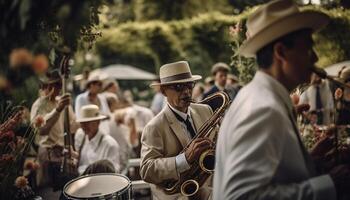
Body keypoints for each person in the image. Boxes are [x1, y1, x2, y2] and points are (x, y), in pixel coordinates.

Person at [213, 1, 350, 199]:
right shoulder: (263, 109)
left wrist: (311, 164)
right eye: (308, 48)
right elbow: (240, 196)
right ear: (281, 52)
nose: (315, 58)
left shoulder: (257, 97)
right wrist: (329, 185)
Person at [140, 61, 213, 200]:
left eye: (190, 85)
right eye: (178, 87)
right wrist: (183, 159)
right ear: (163, 91)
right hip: (176, 195)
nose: (186, 92)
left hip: (208, 189)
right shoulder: (154, 127)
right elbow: (146, 170)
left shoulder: (205, 110)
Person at [30, 69, 79, 188]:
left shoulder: (61, 102)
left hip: (63, 153)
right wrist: (58, 110)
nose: (58, 89)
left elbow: (72, 127)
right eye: (55, 85)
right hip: (48, 153)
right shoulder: (39, 105)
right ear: (47, 86)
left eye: (59, 85)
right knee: (49, 190)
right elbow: (42, 130)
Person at [74, 104, 120, 174]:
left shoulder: (110, 144)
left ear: (98, 122)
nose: (84, 126)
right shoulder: (81, 138)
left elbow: (113, 172)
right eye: (82, 123)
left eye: (87, 123)